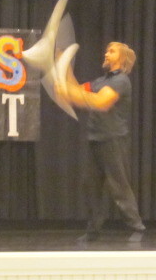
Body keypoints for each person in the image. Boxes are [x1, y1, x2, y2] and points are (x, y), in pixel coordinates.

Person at [57, 41, 146, 243]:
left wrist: (67, 90)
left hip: (113, 139)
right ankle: (93, 230)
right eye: (106, 50)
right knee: (91, 187)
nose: (106, 54)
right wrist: (63, 67)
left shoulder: (121, 81)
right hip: (95, 139)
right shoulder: (100, 81)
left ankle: (137, 227)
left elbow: (100, 102)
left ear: (122, 58)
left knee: (119, 186)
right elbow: (77, 90)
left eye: (111, 51)